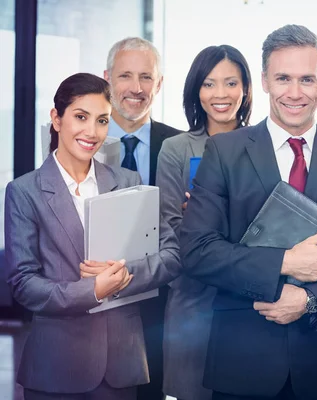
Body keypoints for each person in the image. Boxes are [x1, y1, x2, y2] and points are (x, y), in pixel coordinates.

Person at [180, 24, 317, 400]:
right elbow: (197, 252)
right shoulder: (224, 152)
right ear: (264, 81)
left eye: (307, 79)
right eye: (283, 78)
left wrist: (310, 301)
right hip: (241, 360)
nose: (295, 93)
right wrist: (284, 262)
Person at [4, 73, 181, 400]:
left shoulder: (129, 180)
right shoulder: (24, 192)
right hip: (55, 366)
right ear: (56, 119)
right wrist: (93, 290)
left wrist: (124, 277)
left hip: (121, 365)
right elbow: (23, 284)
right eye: (80, 117)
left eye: (101, 120)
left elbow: (171, 255)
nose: (92, 131)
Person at [158, 44, 253, 400]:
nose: (220, 94)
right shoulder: (176, 149)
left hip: (249, 302)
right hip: (193, 302)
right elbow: (170, 230)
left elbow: (272, 229)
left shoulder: (264, 146)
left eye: (231, 83)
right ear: (196, 91)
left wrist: (210, 220)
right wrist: (200, 224)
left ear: (245, 89)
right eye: (209, 84)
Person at [104, 37, 180, 400]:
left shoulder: (181, 145)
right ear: (107, 80)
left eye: (146, 77)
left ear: (159, 84)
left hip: (162, 300)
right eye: (125, 76)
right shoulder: (82, 140)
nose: (136, 88)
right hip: (95, 296)